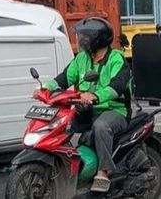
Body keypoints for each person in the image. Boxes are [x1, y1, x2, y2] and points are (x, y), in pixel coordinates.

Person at [37, 17, 131, 194]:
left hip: (115, 110)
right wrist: (45, 89)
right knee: (65, 123)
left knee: (100, 126)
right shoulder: (82, 58)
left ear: (98, 39)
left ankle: (103, 172)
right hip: (88, 109)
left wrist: (95, 96)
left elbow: (117, 86)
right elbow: (64, 78)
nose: (81, 40)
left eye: (85, 37)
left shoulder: (116, 59)